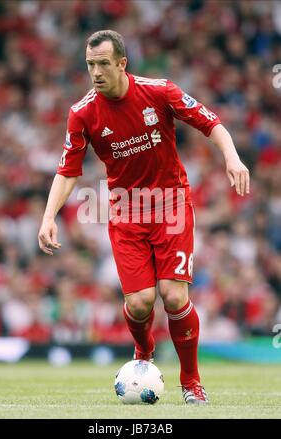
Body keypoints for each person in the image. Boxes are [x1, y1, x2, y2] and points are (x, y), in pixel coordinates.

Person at [38, 30, 250, 405]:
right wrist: (48, 215)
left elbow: (210, 123)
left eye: (103, 63)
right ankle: (143, 351)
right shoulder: (82, 113)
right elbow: (68, 170)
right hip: (126, 214)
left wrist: (231, 157)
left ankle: (191, 381)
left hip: (171, 207)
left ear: (122, 63)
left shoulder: (159, 91)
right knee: (139, 304)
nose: (96, 72)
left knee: (172, 296)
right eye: (90, 65)